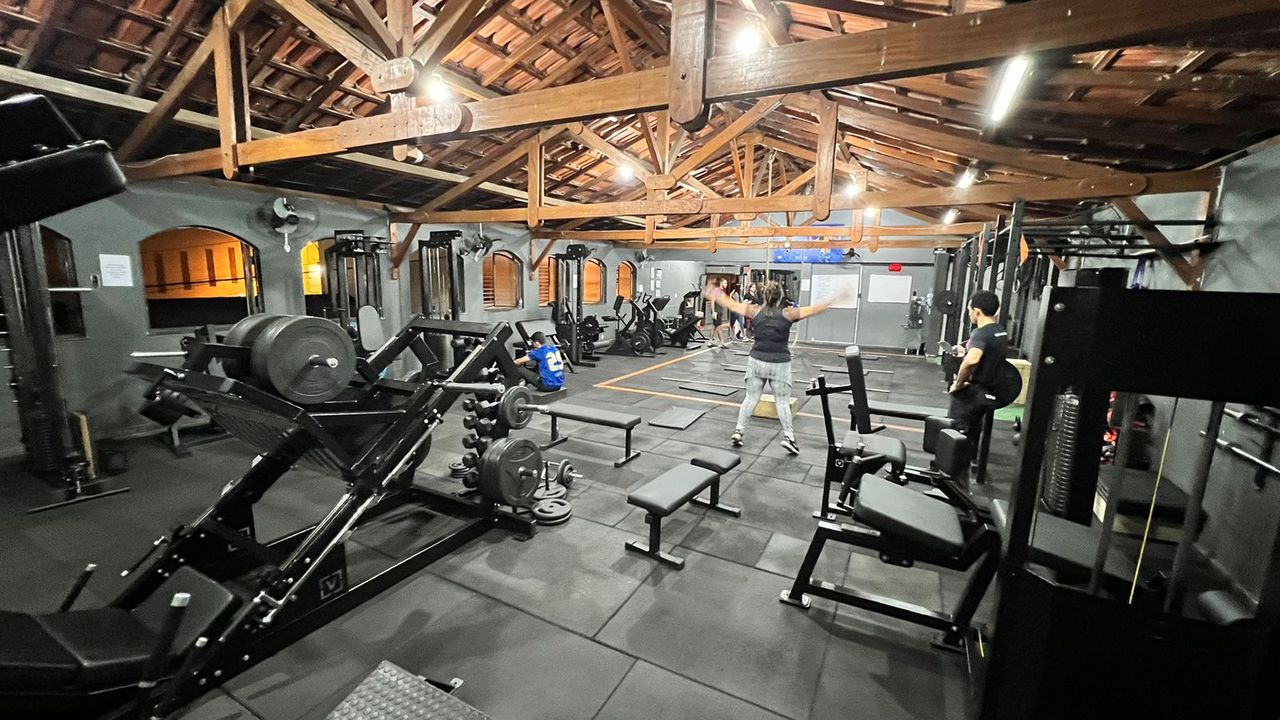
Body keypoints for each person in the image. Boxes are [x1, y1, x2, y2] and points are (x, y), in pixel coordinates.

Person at [705, 280, 844, 455]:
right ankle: (789, 438)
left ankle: (739, 431)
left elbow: (730, 304)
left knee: (750, 399)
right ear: (780, 298)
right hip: (779, 364)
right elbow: (815, 308)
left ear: (765, 296)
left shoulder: (754, 311)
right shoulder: (789, 313)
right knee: (782, 403)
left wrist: (714, 291)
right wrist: (837, 296)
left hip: (756, 361)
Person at [947, 290, 1011, 447]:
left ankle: (956, 461)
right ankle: (970, 457)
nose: (969, 313)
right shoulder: (1000, 331)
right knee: (972, 434)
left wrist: (959, 384)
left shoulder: (980, 333)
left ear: (977, 311)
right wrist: (965, 352)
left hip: (975, 392)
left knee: (956, 436)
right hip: (991, 390)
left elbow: (972, 361)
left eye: (969, 310)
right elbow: (988, 355)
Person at [707, 278, 732, 348]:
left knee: (714, 326)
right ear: (721, 283)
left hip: (720, 311)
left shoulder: (722, 291)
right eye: (725, 283)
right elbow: (712, 301)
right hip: (716, 311)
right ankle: (722, 343)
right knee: (719, 327)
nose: (726, 285)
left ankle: (710, 342)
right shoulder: (717, 290)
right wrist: (713, 311)